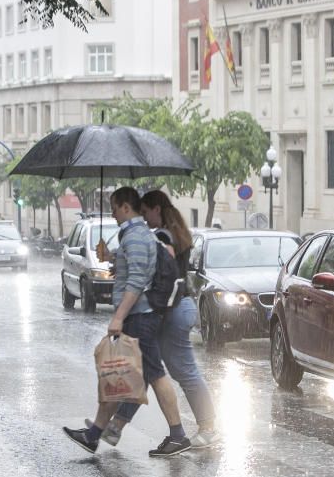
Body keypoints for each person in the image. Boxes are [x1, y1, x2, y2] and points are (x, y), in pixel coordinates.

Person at [63, 187, 192, 457]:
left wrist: (118, 316)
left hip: (140, 317)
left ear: (125, 207)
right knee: (120, 373)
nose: (112, 212)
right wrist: (113, 259)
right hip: (142, 315)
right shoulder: (134, 236)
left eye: (113, 207)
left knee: (150, 374)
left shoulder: (135, 237)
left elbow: (136, 281)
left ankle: (177, 434)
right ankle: (96, 433)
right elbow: (136, 270)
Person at [92, 190, 220, 448]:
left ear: (156, 210)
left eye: (146, 211)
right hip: (175, 308)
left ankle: (206, 428)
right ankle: (115, 426)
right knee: (147, 369)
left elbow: (156, 271)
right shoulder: (173, 234)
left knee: (178, 371)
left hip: (172, 310)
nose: (145, 217)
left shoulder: (163, 237)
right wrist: (117, 260)